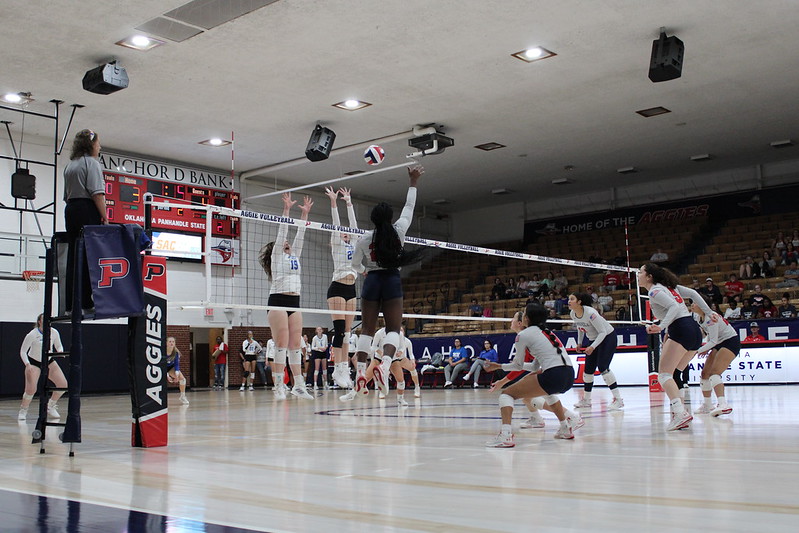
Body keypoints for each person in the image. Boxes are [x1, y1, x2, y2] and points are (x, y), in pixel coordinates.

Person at [350, 165, 424, 396]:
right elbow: (409, 207)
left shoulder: (364, 240)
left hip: (371, 281)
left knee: (367, 331)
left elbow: (354, 265)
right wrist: (413, 182)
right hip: (391, 280)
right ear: (389, 218)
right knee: (393, 328)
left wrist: (364, 270)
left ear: (372, 219)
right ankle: (385, 365)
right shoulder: (399, 231)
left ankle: (361, 372)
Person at [483, 303, 582, 445]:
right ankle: (565, 428)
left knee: (506, 394)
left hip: (554, 374)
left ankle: (505, 436)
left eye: (524, 313)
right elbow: (535, 365)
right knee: (546, 393)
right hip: (568, 375)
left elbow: (517, 365)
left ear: (527, 318)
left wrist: (499, 366)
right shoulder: (547, 332)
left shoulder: (523, 335)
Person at [637, 263, 710, 431]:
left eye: (640, 272)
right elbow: (692, 293)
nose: (638, 275)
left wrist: (661, 326)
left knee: (663, 375)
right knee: (676, 373)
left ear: (649, 276)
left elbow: (673, 307)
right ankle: (679, 414)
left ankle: (680, 413)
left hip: (681, 328)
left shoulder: (654, 291)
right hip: (693, 330)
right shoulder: (669, 287)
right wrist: (709, 311)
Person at [259, 192, 315, 400]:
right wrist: (287, 210)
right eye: (284, 242)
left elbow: (300, 234)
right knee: (281, 343)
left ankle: (298, 385)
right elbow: (283, 231)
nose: (288, 243)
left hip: (295, 300)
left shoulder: (295, 256)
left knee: (295, 344)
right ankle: (279, 386)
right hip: (278, 300)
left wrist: (305, 215)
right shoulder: (277, 257)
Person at [63, 129, 108, 313]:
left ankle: (71, 304)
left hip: (71, 210)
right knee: (90, 256)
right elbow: (97, 193)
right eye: (97, 143)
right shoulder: (92, 164)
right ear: (91, 145)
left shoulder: (70, 165)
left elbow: (66, 196)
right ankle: (87, 302)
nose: (99, 146)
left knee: (74, 256)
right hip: (86, 209)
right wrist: (104, 216)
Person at [324, 186, 359, 390]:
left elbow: (353, 224)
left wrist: (349, 202)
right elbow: (336, 224)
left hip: (351, 289)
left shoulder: (354, 243)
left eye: (348, 232)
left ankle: (345, 368)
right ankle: (337, 369)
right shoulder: (336, 243)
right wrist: (334, 203)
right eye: (343, 232)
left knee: (347, 333)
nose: (346, 231)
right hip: (337, 288)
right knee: (338, 331)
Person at [569, 293, 624, 410]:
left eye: (572, 299)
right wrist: (579, 343)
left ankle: (618, 399)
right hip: (593, 339)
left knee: (603, 367)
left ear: (579, 302)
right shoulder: (573, 313)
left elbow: (603, 332)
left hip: (608, 337)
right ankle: (586, 400)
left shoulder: (591, 313)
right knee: (588, 370)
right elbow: (580, 328)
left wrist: (592, 347)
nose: (569, 301)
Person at [690, 297, 740, 417]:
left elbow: (712, 341)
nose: (692, 305)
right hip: (718, 343)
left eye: (695, 303)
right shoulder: (698, 317)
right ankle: (707, 405)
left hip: (730, 341)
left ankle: (723, 404)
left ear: (702, 305)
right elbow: (705, 333)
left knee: (714, 373)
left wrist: (696, 351)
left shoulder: (711, 317)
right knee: (704, 374)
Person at [18, 314, 67, 420]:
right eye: (44, 320)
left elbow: (58, 345)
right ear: (39, 321)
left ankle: (51, 405)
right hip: (34, 362)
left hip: (49, 361)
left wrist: (60, 351)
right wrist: (27, 364)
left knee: (63, 384)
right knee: (31, 389)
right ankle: (23, 410)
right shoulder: (32, 334)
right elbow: (23, 351)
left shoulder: (54, 332)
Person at [166, 337, 189, 405]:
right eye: (170, 341)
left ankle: (182, 396)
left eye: (173, 341)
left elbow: (176, 365)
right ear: (166, 343)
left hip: (171, 367)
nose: (171, 343)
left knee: (182, 379)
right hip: (161, 367)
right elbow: (162, 365)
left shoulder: (176, 352)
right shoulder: (162, 351)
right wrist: (167, 376)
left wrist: (176, 375)